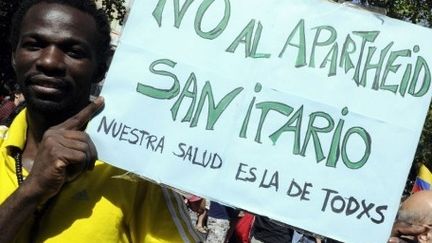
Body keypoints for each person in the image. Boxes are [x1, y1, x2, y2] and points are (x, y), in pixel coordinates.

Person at [0, 0, 202, 242]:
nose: (50, 61)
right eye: (34, 45)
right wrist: (32, 190)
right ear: (14, 56)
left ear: (101, 68)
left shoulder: (136, 176)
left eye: (73, 52)